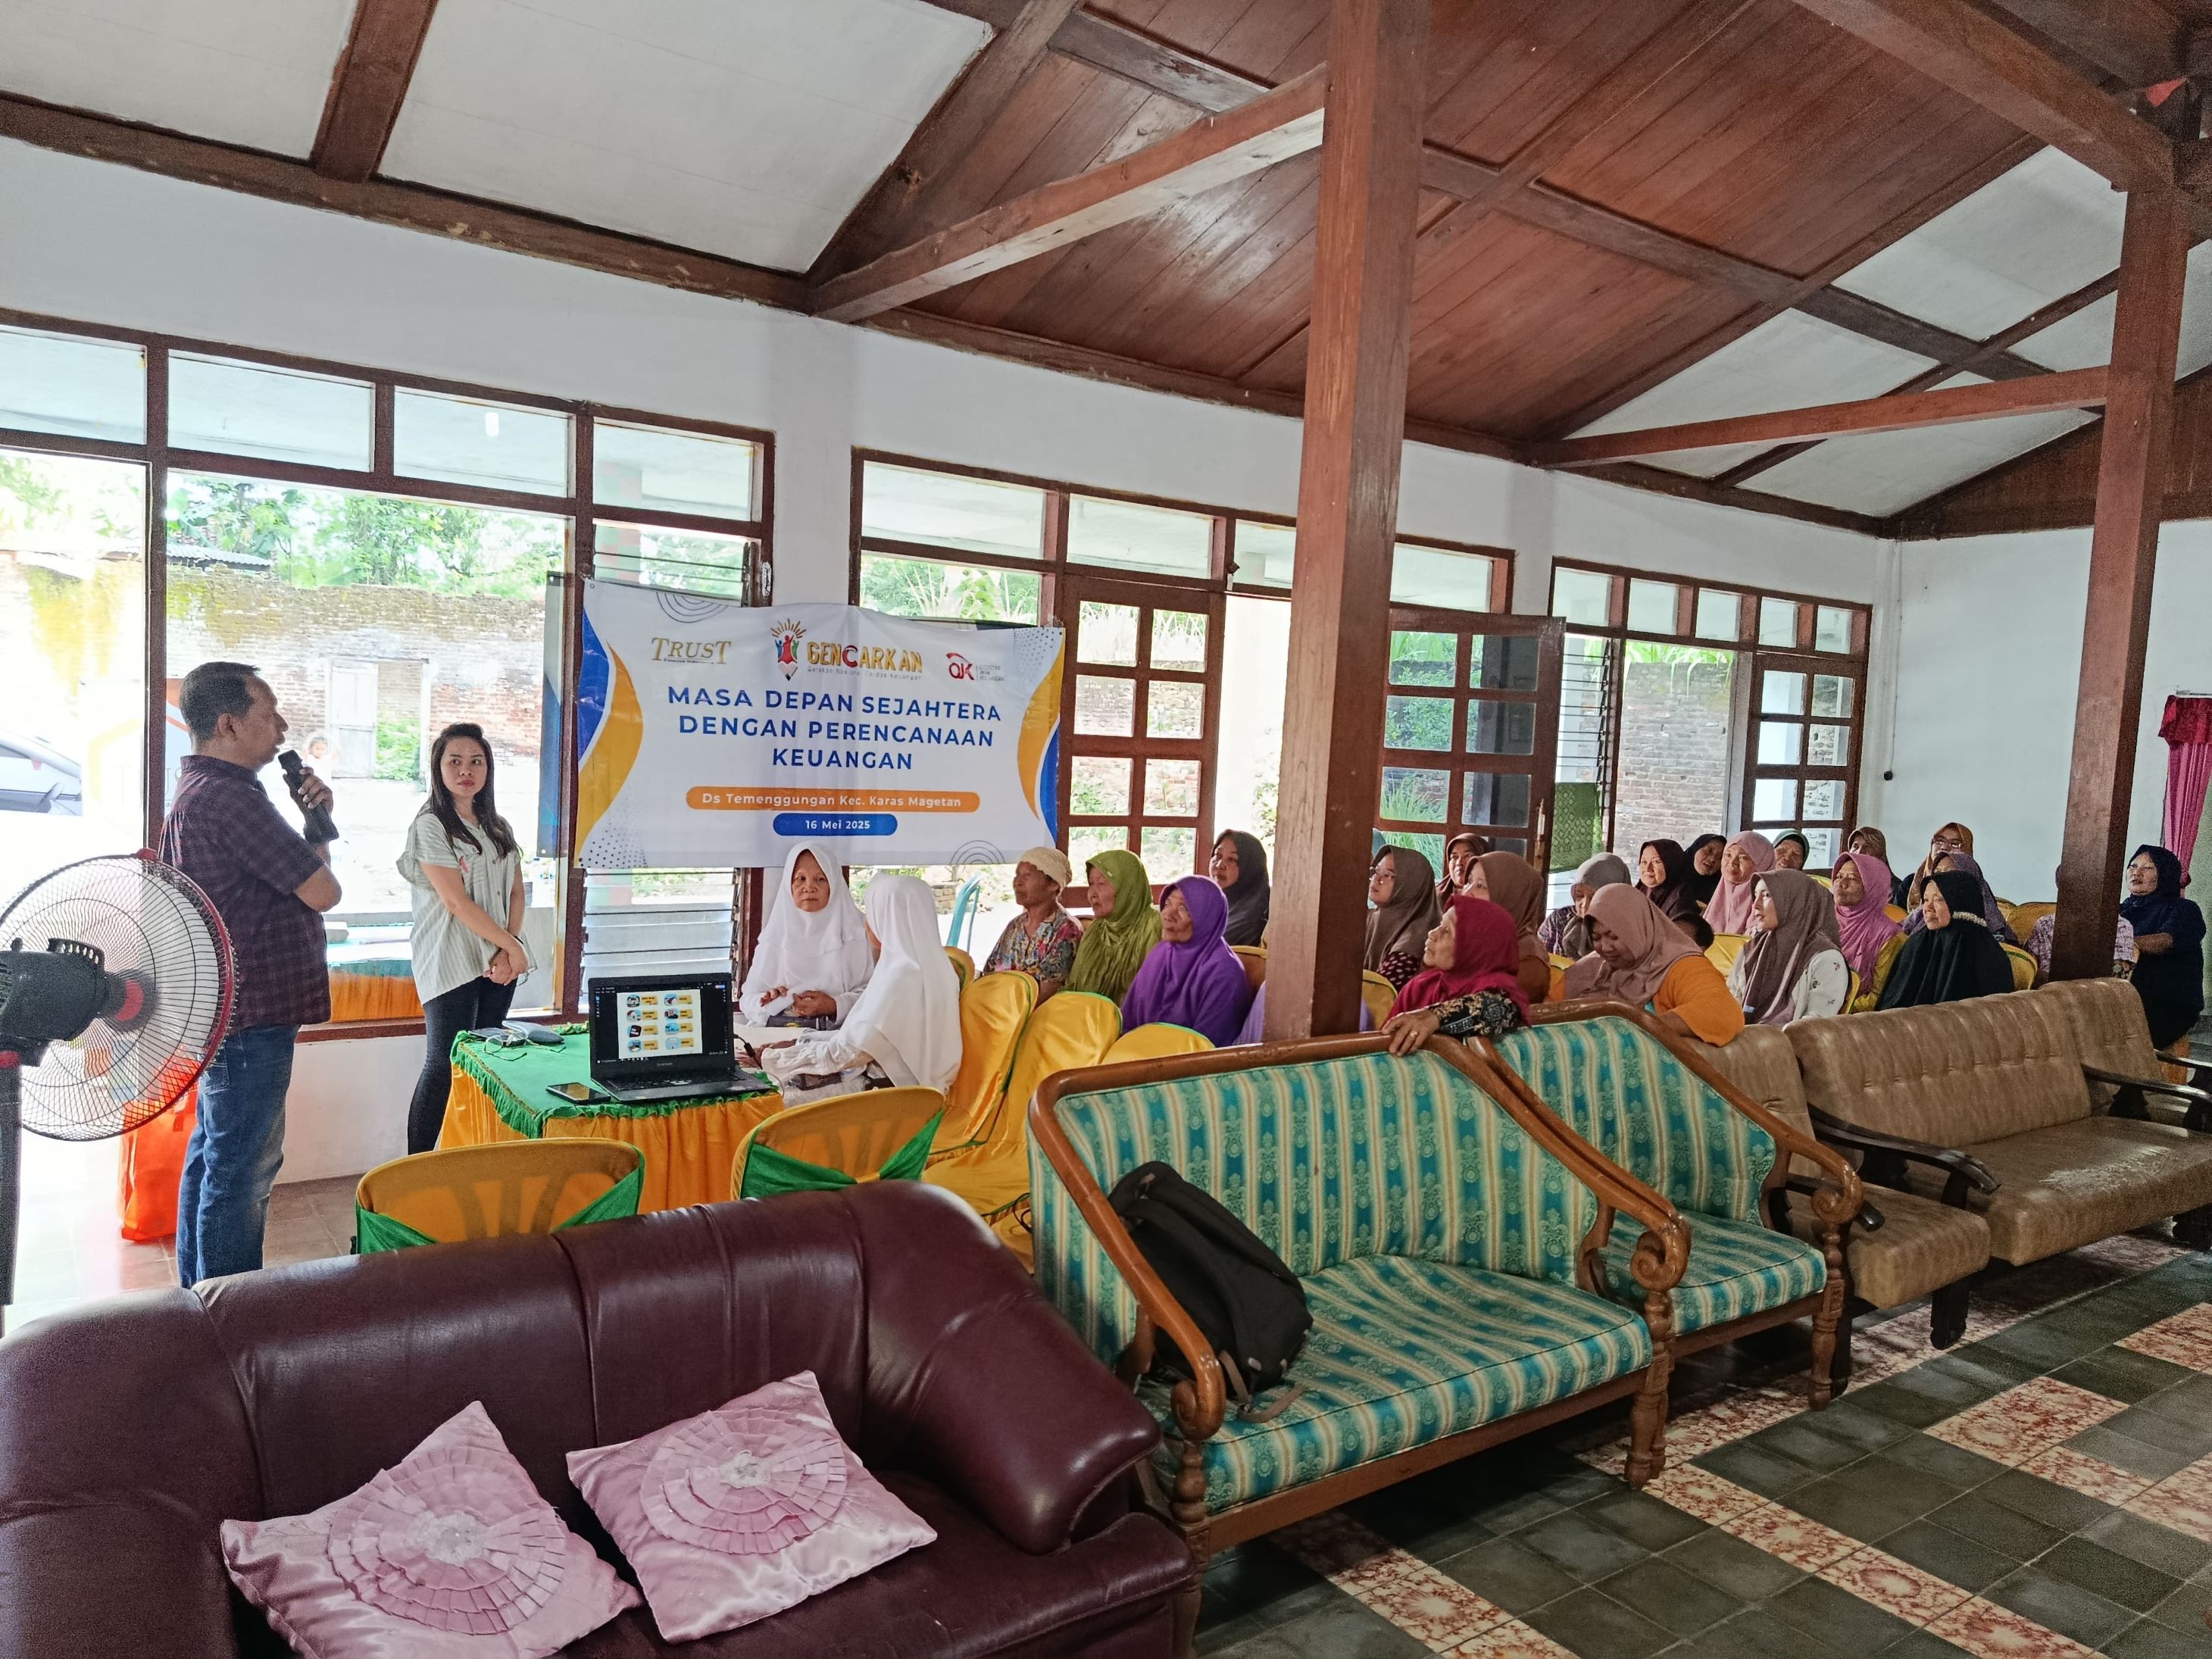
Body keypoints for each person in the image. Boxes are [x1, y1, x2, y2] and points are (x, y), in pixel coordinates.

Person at [159, 662, 342, 1287]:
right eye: (269, 713)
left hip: (230, 1011)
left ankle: (199, 1298)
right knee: (242, 1174)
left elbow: (305, 879)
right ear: (229, 724)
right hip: (251, 1013)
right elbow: (324, 892)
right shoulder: (231, 799)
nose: (282, 727)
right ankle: (230, 1313)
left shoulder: (200, 790)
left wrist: (315, 820)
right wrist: (316, 836)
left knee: (215, 1157)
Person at [399, 723, 530, 1156]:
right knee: (444, 1064)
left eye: (476, 761)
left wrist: (507, 947)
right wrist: (513, 947)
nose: (466, 770)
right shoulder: (431, 824)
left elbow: (516, 891)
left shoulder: (498, 825)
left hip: (498, 959)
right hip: (449, 956)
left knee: (486, 1061)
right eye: (454, 761)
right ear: (438, 769)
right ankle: (416, 1167)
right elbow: (455, 902)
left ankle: (472, 1156)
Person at [758, 874, 961, 1104]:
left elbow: (847, 1054)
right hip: (908, 1087)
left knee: (767, 1102)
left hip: (897, 1097)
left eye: (872, 914)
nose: (867, 923)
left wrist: (771, 1059)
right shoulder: (933, 967)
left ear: (887, 919)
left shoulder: (901, 978)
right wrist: (799, 1043)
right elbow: (859, 1039)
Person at [1562, 886, 1745, 1045]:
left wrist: (1636, 1026)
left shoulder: (1682, 965)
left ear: (1638, 928)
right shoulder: (1593, 967)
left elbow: (1722, 1013)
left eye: (1614, 936)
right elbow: (1551, 1008)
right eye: (1596, 938)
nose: (1605, 947)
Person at [739, 844, 873, 1029]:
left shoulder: (858, 934)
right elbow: (747, 1000)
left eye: (820, 879)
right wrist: (766, 1002)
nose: (809, 887)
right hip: (777, 1033)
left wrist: (835, 1005)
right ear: (789, 885)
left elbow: (875, 995)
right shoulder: (774, 937)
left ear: (834, 884)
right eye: (800, 879)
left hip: (839, 1034)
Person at [1379, 895, 1532, 1054]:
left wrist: (1436, 1016)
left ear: (1472, 948)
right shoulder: (1420, 987)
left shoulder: (1500, 993)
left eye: (1446, 931)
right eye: (1440, 924)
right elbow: (1381, 1045)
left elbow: (1503, 1007)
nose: (1432, 933)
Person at [1122, 875, 1254, 1046]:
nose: (1168, 915)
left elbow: (1206, 1045)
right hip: (1135, 1052)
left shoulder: (1224, 973)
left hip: (1187, 1059)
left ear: (1206, 918)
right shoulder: (1161, 953)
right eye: (1167, 904)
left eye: (1183, 908)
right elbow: (1128, 1021)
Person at [1877, 867, 2015, 1010]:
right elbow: (1891, 1005)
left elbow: (1994, 1015)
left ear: (1960, 901)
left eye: (1939, 899)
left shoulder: (1989, 957)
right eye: (1925, 900)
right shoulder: (1916, 943)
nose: (1928, 907)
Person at [1728, 870, 1849, 1025]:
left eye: (1767, 895)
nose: (1755, 905)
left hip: (1791, 1040)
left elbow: (1817, 1024)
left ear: (1795, 902)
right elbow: (1730, 1002)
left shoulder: (1826, 958)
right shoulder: (1752, 950)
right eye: (1756, 895)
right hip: (1744, 1036)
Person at [2120, 845, 2206, 1048]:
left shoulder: (2183, 908)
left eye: (2148, 868)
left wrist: (2119, 944)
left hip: (2166, 1004)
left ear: (2165, 874)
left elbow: (2167, 941)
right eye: (2133, 866)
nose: (2137, 872)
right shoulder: (2122, 909)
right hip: (2123, 996)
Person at [981, 845, 1083, 997]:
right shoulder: (1015, 925)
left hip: (1038, 1010)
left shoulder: (1066, 929)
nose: (1018, 882)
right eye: (1017, 875)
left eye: (1027, 876)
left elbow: (1045, 994)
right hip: (1001, 1005)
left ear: (1053, 884)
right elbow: (990, 974)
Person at [1067, 848, 1160, 1003]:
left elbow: (1154, 996)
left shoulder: (1154, 926)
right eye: (1091, 884)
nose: (1092, 894)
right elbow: (1074, 989)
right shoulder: (1096, 930)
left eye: (1102, 884)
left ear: (1127, 887)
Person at [1461, 849, 1553, 1004]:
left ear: (1511, 896)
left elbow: (1477, 1010)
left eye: (1481, 886)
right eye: (1469, 881)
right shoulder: (1474, 941)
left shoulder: (1528, 965)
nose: (1467, 893)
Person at [2025, 867, 2136, 984]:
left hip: (2097, 991)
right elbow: (2029, 970)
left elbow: (2117, 977)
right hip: (2048, 990)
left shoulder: (2119, 926)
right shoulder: (2044, 924)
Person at [1366, 845, 1441, 992]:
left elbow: (1377, 995)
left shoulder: (1412, 944)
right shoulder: (1371, 918)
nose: (1376, 879)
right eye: (1376, 871)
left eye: (1388, 875)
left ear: (1410, 885)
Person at [1905, 851, 2016, 943]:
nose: (1941, 879)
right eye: (1937, 873)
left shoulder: (1990, 923)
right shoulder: (1923, 912)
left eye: (1950, 873)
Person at [1540, 853, 1630, 960]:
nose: (1585, 904)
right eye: (1580, 895)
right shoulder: (1559, 920)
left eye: (1594, 897)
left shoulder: (1631, 928)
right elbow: (1540, 960)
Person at [1833, 848, 1904, 982]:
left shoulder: (1888, 936)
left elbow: (1878, 991)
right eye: (1839, 876)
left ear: (1873, 887)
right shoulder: (1822, 918)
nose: (1842, 883)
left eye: (1852, 878)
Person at [1706, 832, 1776, 936]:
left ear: (1763, 864)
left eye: (1743, 857)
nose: (1732, 863)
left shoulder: (1771, 908)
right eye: (1728, 855)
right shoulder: (1717, 899)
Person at [1211, 830, 1270, 947]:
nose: (1219, 865)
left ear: (1250, 867)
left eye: (1232, 860)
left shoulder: (1253, 920)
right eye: (1218, 855)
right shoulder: (1210, 903)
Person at [1905, 822, 1975, 911]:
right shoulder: (1909, 884)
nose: (1944, 847)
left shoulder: (1977, 888)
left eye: (1954, 844)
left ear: (1967, 850)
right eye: (1940, 841)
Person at [1636, 839, 1703, 927]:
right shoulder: (1639, 889)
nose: (1648, 868)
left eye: (1656, 862)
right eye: (1644, 862)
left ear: (1672, 865)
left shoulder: (1681, 899)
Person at [1436, 832, 1492, 904]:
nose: (1459, 863)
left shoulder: (1497, 898)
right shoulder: (1435, 898)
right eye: (1454, 857)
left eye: (1468, 856)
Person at [1682, 833, 1726, 909]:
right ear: (1695, 849)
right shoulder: (1672, 877)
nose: (1712, 859)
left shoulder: (1721, 892)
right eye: (1708, 851)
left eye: (1720, 857)